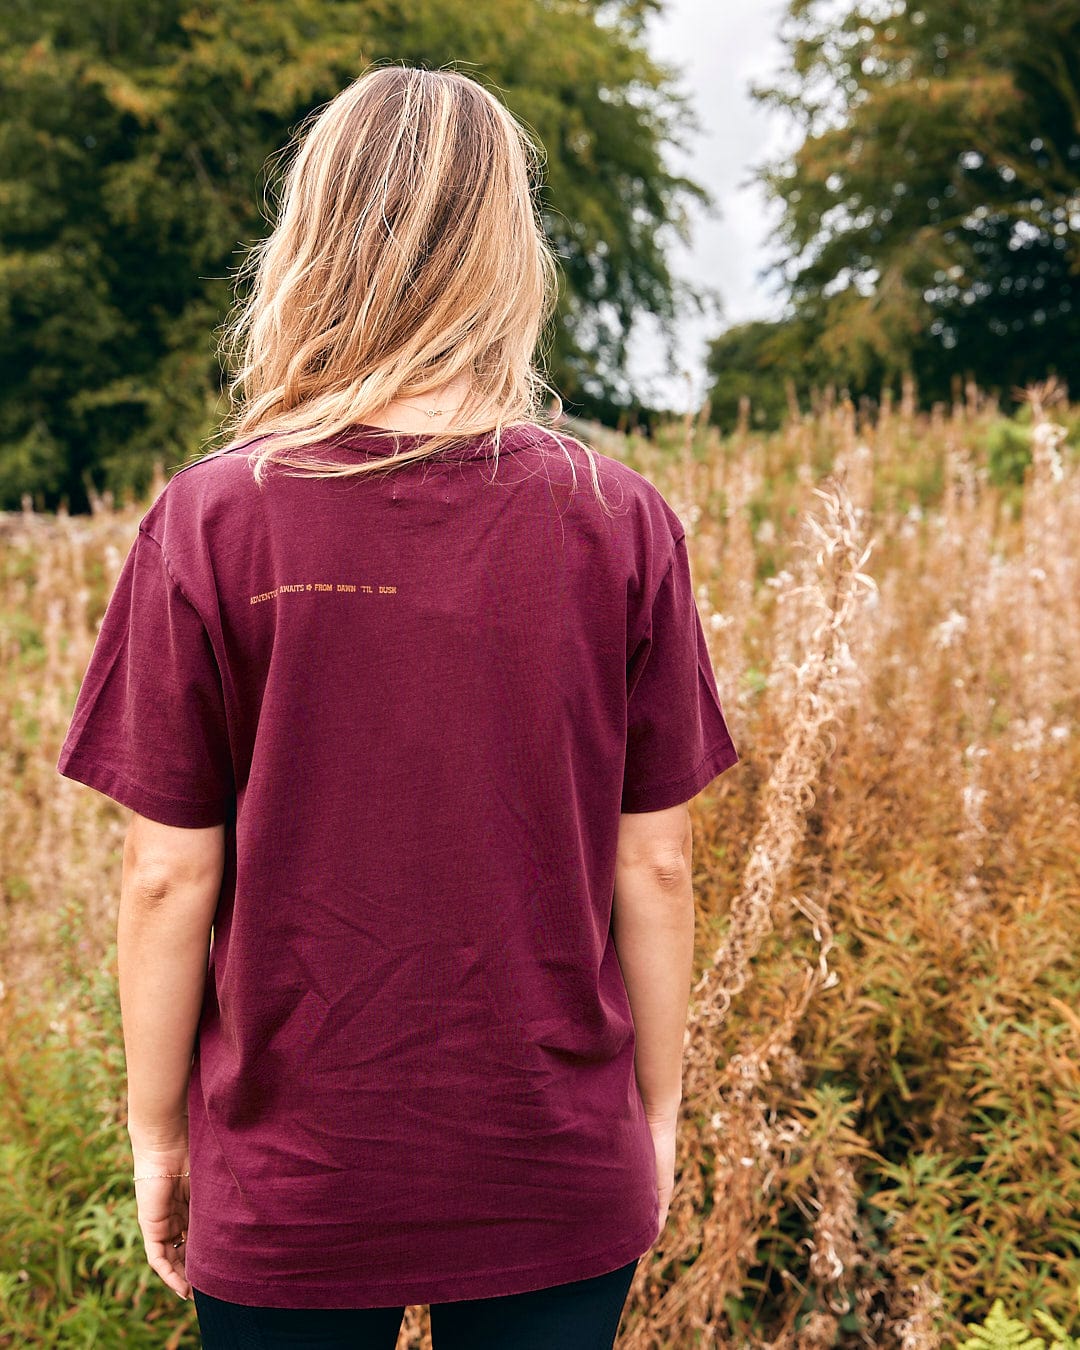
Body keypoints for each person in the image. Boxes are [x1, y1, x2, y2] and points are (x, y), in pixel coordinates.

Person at [56, 63, 740, 1349]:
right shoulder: (618, 518)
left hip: (291, 1181)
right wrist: (656, 1108)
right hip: (552, 1163)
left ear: (311, 239)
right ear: (508, 254)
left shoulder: (212, 519)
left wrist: (158, 1133)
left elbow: (163, 880)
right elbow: (654, 866)